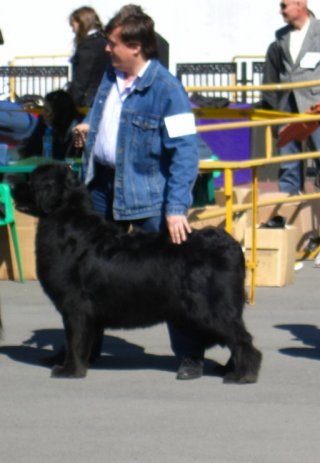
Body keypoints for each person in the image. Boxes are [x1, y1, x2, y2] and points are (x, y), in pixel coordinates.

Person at [73, 4, 204, 380]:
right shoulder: (110, 78)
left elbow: (185, 152)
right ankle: (85, 349)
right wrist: (88, 126)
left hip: (148, 196)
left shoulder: (167, 90)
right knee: (92, 274)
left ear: (136, 47)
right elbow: (105, 118)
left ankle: (190, 354)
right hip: (101, 188)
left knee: (172, 277)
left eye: (112, 43)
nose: (106, 49)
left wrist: (176, 207)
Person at [266, 0, 320, 212]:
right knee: (288, 165)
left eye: (284, 5)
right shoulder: (281, 35)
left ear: (300, 4)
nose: (280, 10)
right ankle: (289, 217)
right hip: (288, 107)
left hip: (317, 107)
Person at [19, 90, 83, 160]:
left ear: (59, 114)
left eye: (47, 110)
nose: (43, 113)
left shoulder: (79, 129)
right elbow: (29, 153)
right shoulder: (44, 125)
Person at [67, 6, 110, 108]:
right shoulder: (105, 41)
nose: (73, 30)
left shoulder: (88, 46)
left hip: (88, 102)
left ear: (82, 23)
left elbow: (82, 79)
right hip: (104, 97)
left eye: (73, 25)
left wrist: (72, 102)